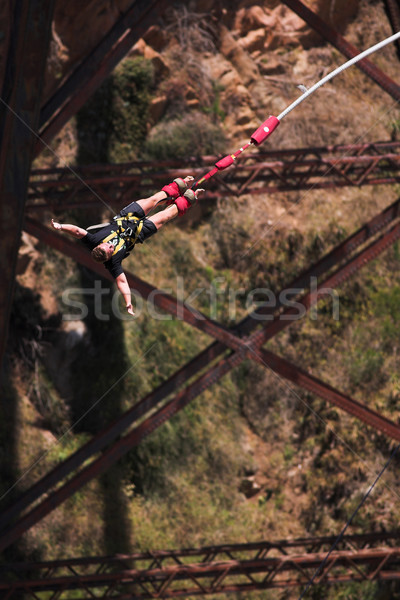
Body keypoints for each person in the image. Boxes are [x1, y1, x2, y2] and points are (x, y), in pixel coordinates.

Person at [51, 176, 203, 315]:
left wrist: (61, 226)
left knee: (153, 200)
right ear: (109, 257)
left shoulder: (93, 240)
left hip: (126, 217)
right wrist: (128, 302)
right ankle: (189, 199)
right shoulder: (112, 263)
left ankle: (180, 186)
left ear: (100, 245)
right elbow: (122, 282)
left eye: (107, 246)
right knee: (164, 217)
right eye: (111, 250)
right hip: (138, 233)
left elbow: (77, 232)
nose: (110, 246)